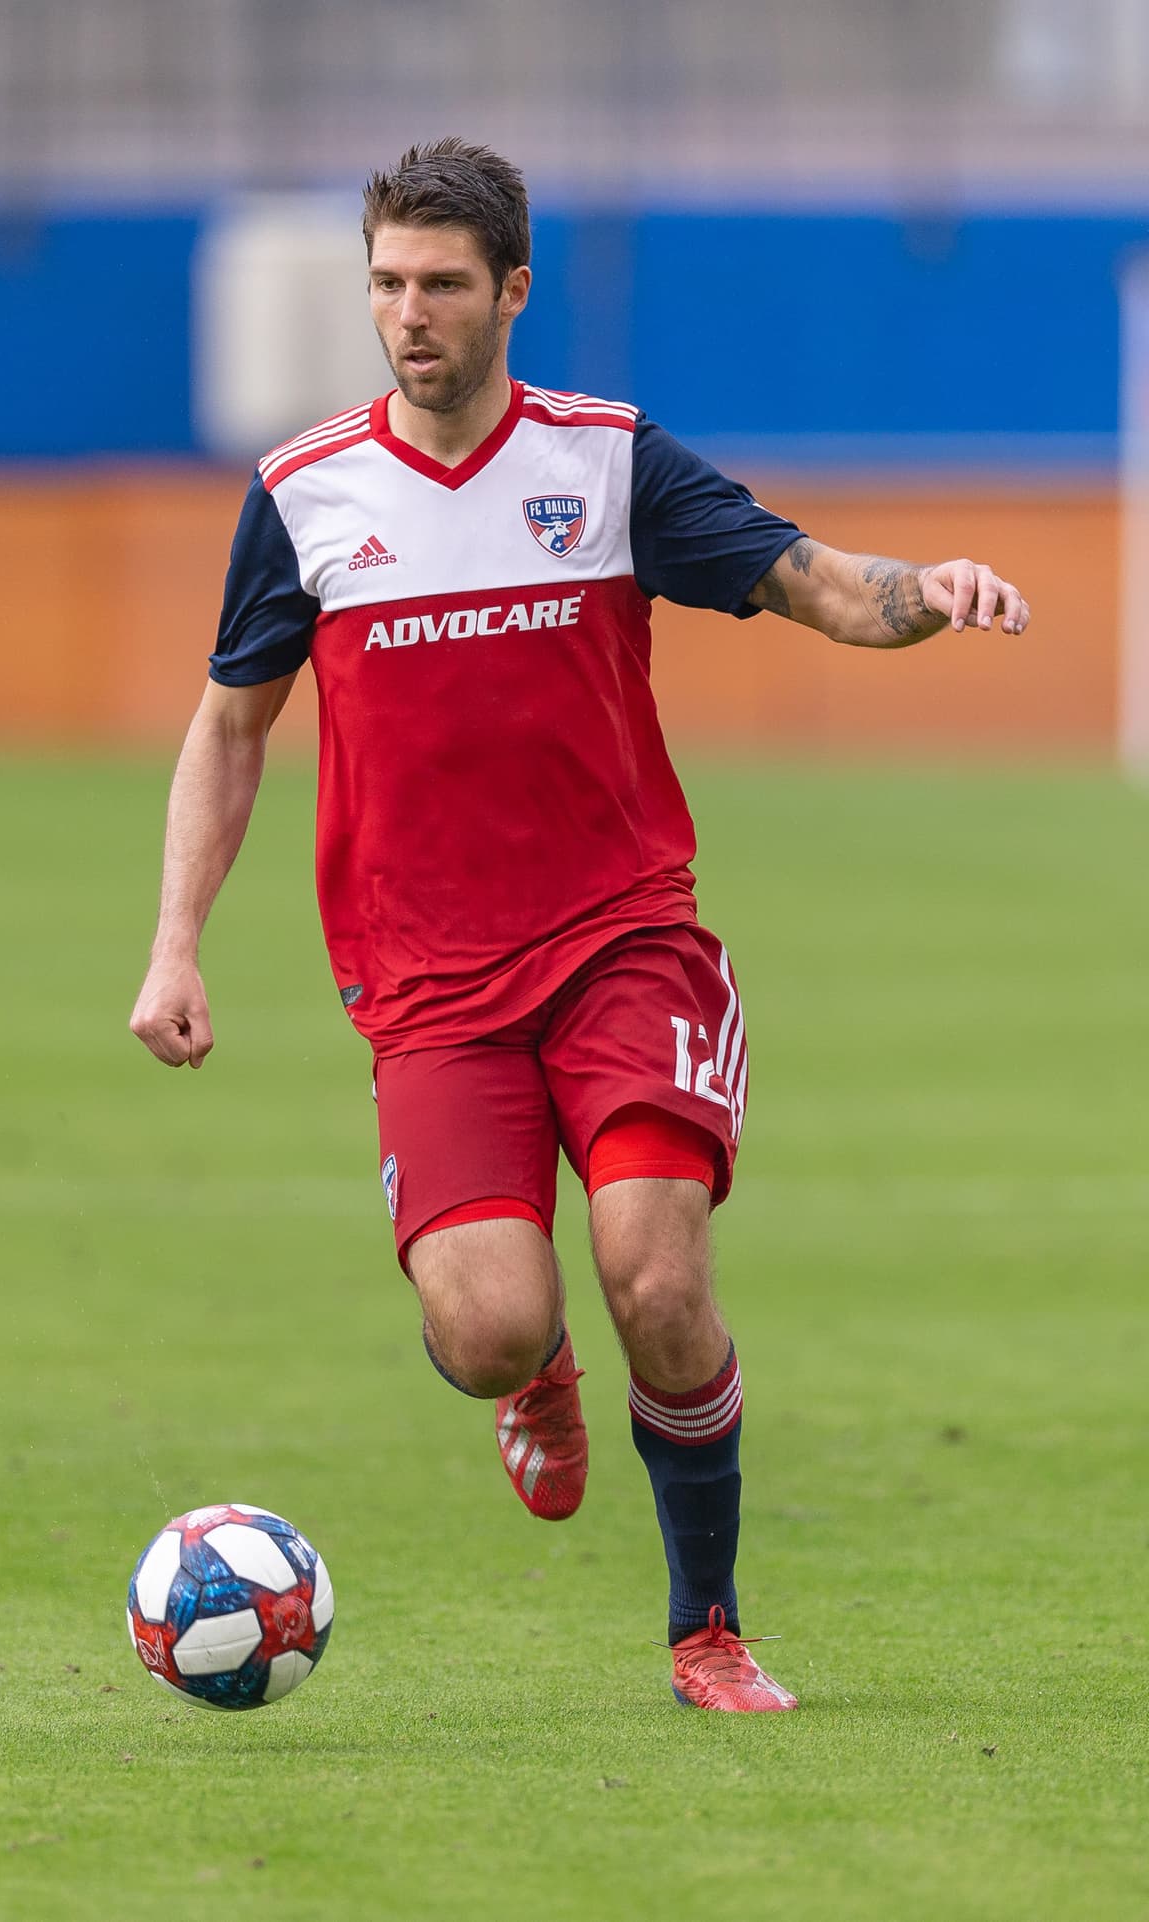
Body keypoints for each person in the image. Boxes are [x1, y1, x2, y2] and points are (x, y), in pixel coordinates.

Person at [130, 138, 1030, 1713]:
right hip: (429, 983)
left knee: (658, 1279)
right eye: (389, 284)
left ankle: (707, 1631)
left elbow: (811, 580)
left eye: (444, 286)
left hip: (622, 939)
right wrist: (175, 943)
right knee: (486, 1325)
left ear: (513, 291)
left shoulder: (607, 465)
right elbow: (230, 726)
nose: (411, 315)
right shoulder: (304, 495)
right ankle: (531, 1375)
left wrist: (923, 587)